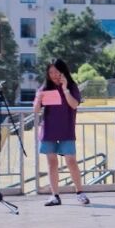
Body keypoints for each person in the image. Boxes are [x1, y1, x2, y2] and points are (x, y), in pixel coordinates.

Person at [32, 59, 90, 206]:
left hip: (66, 130)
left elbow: (74, 104)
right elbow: (36, 110)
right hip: (49, 130)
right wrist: (38, 99)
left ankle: (80, 192)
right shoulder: (45, 88)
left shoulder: (71, 86)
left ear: (63, 72)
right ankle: (55, 196)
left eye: (56, 72)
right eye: (50, 72)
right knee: (52, 163)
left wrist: (65, 89)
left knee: (71, 161)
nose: (53, 75)